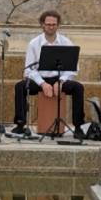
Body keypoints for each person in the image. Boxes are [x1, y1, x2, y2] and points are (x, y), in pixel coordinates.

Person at [11, 9, 86, 138]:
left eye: (54, 24)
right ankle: (20, 124)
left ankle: (78, 126)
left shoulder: (66, 43)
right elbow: (29, 70)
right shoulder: (34, 44)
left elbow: (73, 68)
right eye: (48, 24)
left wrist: (61, 81)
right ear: (42, 25)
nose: (51, 27)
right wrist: (43, 83)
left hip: (60, 79)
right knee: (20, 87)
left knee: (78, 88)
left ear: (58, 25)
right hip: (40, 79)